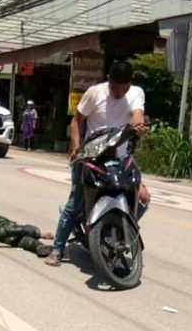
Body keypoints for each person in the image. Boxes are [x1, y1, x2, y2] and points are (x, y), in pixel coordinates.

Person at [45, 60, 151, 267]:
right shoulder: (95, 93)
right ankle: (57, 249)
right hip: (91, 157)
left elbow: (137, 114)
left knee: (144, 198)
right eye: (115, 87)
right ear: (108, 81)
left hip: (120, 157)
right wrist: (75, 149)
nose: (120, 92)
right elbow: (76, 121)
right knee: (75, 204)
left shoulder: (136, 93)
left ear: (130, 84)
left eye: (124, 87)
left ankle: (125, 228)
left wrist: (138, 125)